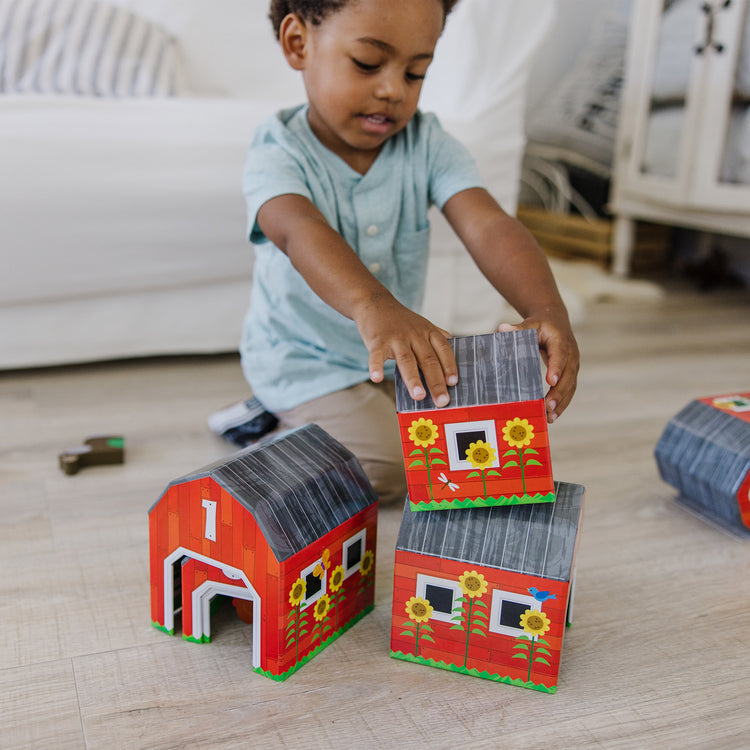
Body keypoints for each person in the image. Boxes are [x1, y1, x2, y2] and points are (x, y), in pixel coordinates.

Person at [236, 0, 579, 504]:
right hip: (303, 363)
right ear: (298, 43)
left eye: (416, 72)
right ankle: (266, 427)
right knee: (397, 471)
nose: (393, 89)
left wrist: (547, 309)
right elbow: (299, 230)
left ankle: (322, 424)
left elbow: (487, 224)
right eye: (368, 64)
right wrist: (374, 306)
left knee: (488, 442)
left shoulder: (427, 144)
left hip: (391, 360)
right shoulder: (277, 153)